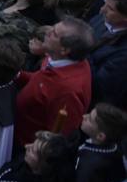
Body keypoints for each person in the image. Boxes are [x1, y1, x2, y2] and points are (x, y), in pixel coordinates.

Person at [15, 18, 94, 147]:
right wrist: (17, 75)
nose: (47, 32)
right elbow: (40, 79)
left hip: (25, 146)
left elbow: (58, 137)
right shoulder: (57, 58)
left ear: (64, 50)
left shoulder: (69, 92)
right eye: (52, 27)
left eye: (54, 34)